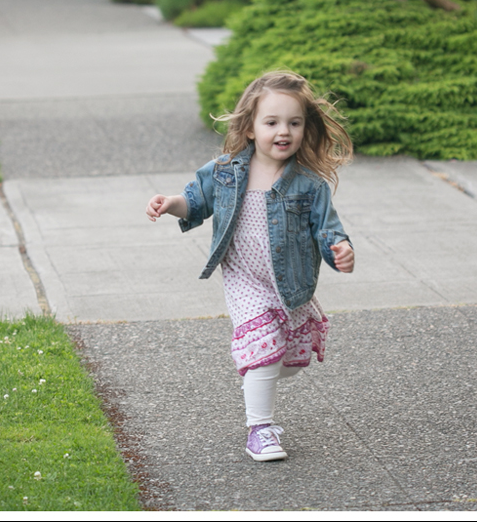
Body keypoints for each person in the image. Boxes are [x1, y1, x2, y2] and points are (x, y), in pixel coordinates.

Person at [146, 70, 355, 462]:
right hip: (244, 280)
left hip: (288, 283)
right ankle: (259, 430)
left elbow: (329, 231)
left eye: (294, 123)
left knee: (285, 362)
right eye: (272, 122)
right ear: (249, 128)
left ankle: (257, 380)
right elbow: (195, 201)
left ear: (305, 128)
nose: (284, 131)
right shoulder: (226, 172)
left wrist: (341, 250)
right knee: (263, 349)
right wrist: (170, 203)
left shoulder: (309, 184)